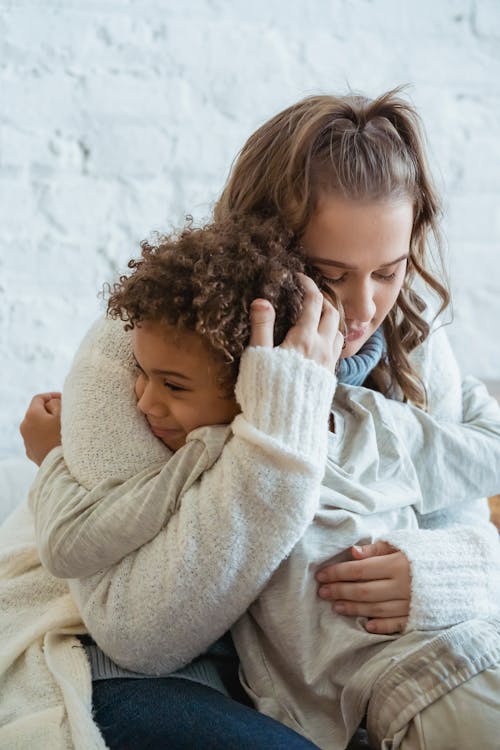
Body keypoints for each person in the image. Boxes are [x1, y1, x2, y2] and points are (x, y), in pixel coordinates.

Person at [14, 89, 500, 749]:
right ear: (262, 247)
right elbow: (138, 633)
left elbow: (466, 507)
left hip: (321, 685)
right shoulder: (146, 346)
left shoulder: (404, 333)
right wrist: (284, 424)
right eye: (329, 276)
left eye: (387, 271)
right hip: (141, 670)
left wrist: (444, 573)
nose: (364, 309)